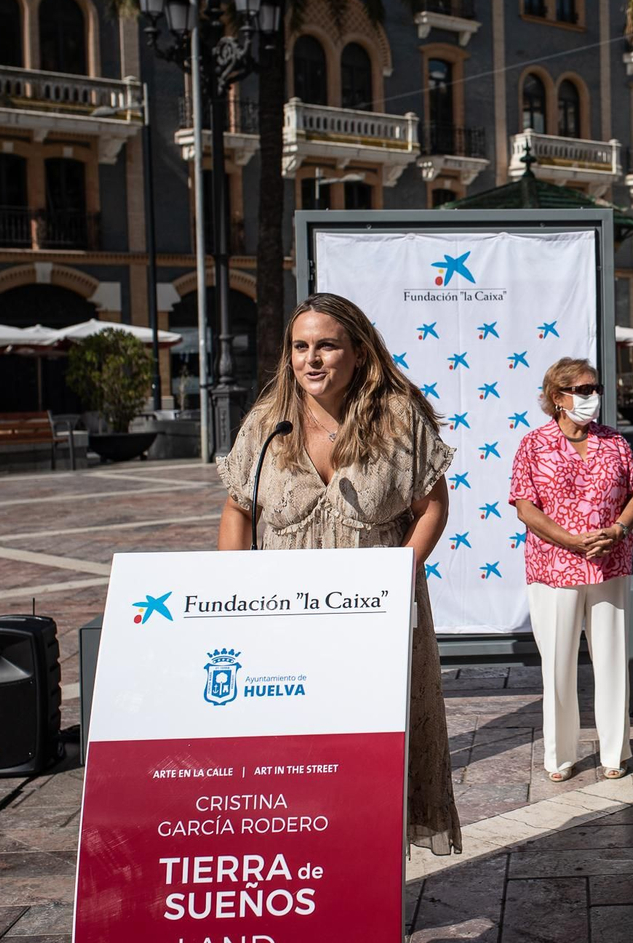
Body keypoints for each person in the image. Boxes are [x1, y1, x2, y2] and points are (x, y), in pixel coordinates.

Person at [216, 292, 462, 854]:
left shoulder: (399, 420)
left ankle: (367, 882)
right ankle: (309, 874)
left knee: (369, 755)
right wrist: (230, 592)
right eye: (301, 347)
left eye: (327, 345)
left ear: (359, 351)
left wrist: (400, 572)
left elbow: (432, 508)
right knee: (297, 756)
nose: (313, 359)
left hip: (372, 621)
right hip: (284, 625)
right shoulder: (265, 423)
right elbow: (238, 507)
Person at [509, 357, 633, 782]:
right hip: (554, 568)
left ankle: (613, 754)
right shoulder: (533, 444)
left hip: (610, 563)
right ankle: (560, 756)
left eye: (596, 389)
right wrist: (569, 540)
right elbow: (525, 506)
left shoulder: (615, 442)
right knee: (559, 664)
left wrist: (619, 528)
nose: (593, 397)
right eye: (584, 390)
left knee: (612, 659)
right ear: (558, 397)